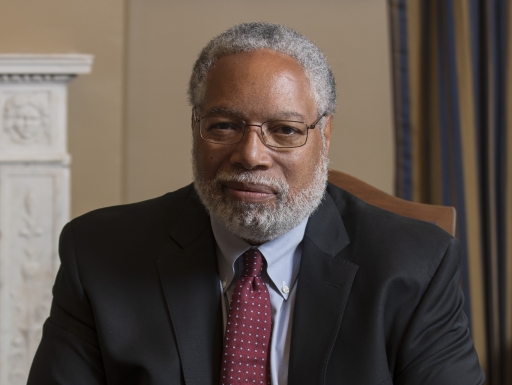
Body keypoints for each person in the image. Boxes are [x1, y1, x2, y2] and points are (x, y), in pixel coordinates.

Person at [28, 22, 485, 385]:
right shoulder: (99, 254)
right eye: (224, 125)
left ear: (323, 136)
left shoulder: (416, 265)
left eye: (285, 131)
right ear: (195, 127)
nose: (250, 154)